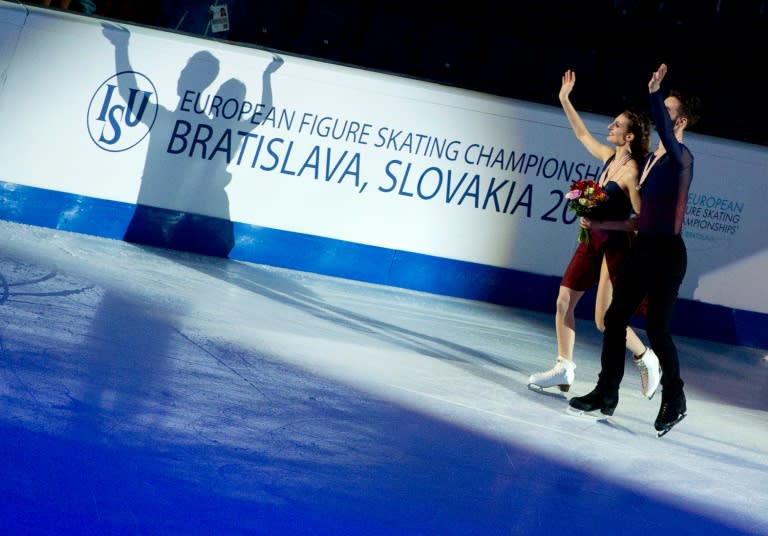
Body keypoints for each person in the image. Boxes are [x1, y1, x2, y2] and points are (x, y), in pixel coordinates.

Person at [569, 63, 701, 437]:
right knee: (613, 319)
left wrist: (655, 92)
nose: (662, 116)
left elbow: (659, 119)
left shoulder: (681, 158)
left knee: (658, 331)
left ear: (681, 122)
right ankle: (606, 391)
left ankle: (675, 399)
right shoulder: (650, 163)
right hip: (643, 249)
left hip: (667, 255)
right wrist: (599, 224)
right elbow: (637, 220)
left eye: (669, 112)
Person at [528, 70, 661, 398]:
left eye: (617, 125)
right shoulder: (608, 158)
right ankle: (564, 367)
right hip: (592, 242)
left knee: (605, 321)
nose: (610, 128)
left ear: (630, 136)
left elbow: (642, 222)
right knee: (563, 300)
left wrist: (603, 225)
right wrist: (564, 99)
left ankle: (646, 358)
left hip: (616, 248)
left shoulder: (632, 173)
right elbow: (582, 135)